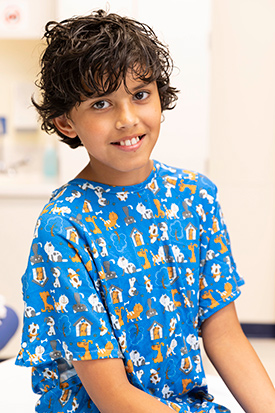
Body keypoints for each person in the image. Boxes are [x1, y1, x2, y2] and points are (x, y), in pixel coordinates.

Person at [16, 9, 275, 413]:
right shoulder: (64, 229)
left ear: (159, 95)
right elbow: (112, 397)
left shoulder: (195, 197)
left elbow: (224, 336)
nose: (127, 119)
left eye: (140, 94)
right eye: (101, 103)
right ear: (66, 122)